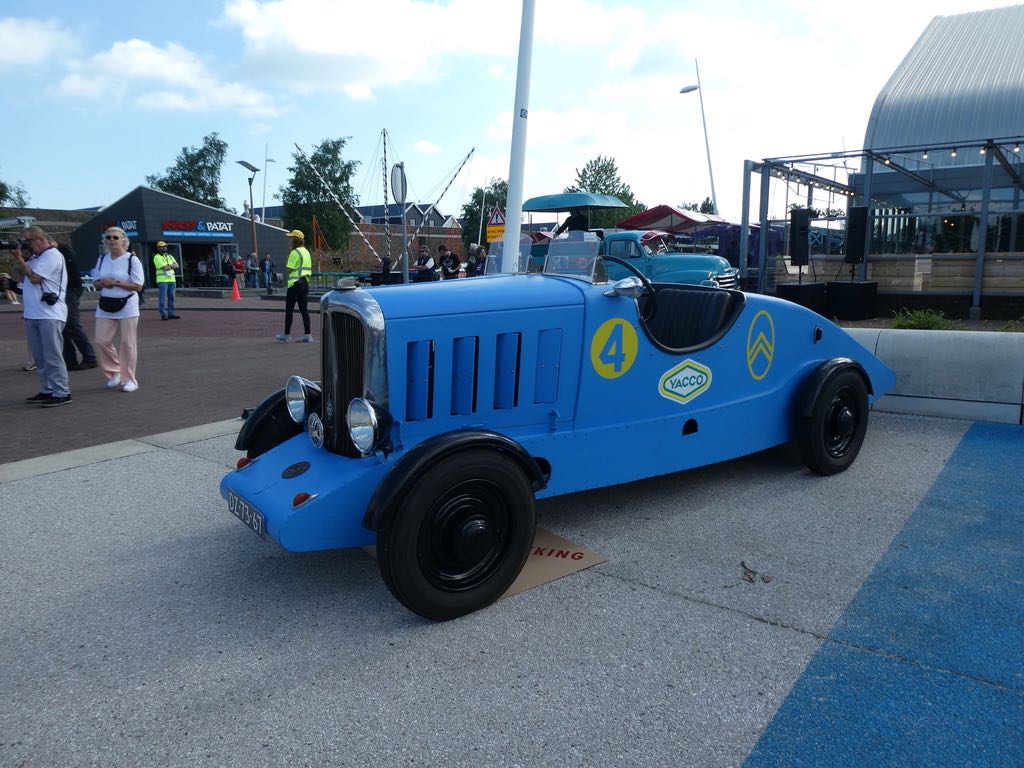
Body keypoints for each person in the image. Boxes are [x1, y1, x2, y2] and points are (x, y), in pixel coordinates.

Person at [15, 226, 71, 407]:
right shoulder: (34, 257)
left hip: (50, 314)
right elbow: (17, 277)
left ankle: (62, 391)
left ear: (40, 239)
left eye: (28, 241)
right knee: (40, 356)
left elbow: (35, 278)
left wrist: (22, 261)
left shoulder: (52, 255)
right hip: (33, 314)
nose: (27, 245)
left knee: (52, 355)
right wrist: (19, 259)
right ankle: (47, 389)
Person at [92, 226, 145, 392]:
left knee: (127, 343)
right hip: (106, 304)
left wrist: (115, 282)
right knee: (101, 340)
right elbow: (95, 282)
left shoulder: (132, 260)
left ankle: (130, 379)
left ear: (124, 240)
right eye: (108, 238)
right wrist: (102, 283)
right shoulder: (102, 259)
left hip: (127, 305)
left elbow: (138, 286)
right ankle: (114, 370)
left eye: (115, 237)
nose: (111, 241)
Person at [55, 242, 98, 371]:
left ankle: (88, 357)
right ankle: (71, 359)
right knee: (65, 325)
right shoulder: (64, 252)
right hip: (67, 290)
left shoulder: (62, 253)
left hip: (69, 290)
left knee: (71, 324)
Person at [275, 230, 313, 343]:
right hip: (305, 283)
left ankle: (286, 335)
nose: (289, 240)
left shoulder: (294, 252)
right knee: (304, 310)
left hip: (295, 284)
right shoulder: (306, 252)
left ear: (296, 239)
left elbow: (289, 269)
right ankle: (308, 335)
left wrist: (288, 261)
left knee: (289, 310)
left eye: (291, 238)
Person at [153, 240, 180, 320]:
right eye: (162, 247)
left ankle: (171, 314)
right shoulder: (157, 257)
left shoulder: (170, 256)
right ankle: (163, 314)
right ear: (158, 248)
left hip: (172, 280)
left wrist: (168, 265)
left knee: (172, 298)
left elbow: (177, 266)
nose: (164, 248)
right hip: (162, 280)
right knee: (163, 298)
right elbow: (164, 268)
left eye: (165, 246)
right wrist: (171, 265)